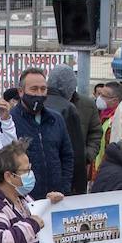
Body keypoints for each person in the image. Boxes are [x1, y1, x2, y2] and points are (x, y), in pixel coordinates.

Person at [8, 67, 73, 201]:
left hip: (55, 199)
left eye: (43, 89)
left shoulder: (56, 119)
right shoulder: (9, 122)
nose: (39, 93)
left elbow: (67, 156)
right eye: (34, 89)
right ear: (21, 91)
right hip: (24, 200)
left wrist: (64, 189)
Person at [44, 66, 88, 194]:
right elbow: (76, 153)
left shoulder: (36, 103)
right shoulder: (68, 108)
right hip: (63, 180)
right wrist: (79, 189)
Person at [71, 83, 104, 179]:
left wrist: (87, 156)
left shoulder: (88, 105)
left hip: (80, 169)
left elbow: (96, 133)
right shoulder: (48, 102)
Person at [93, 80, 122, 177]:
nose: (99, 98)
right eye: (99, 95)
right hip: (98, 170)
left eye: (103, 96)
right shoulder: (102, 115)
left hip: (105, 172)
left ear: (115, 100)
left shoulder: (117, 120)